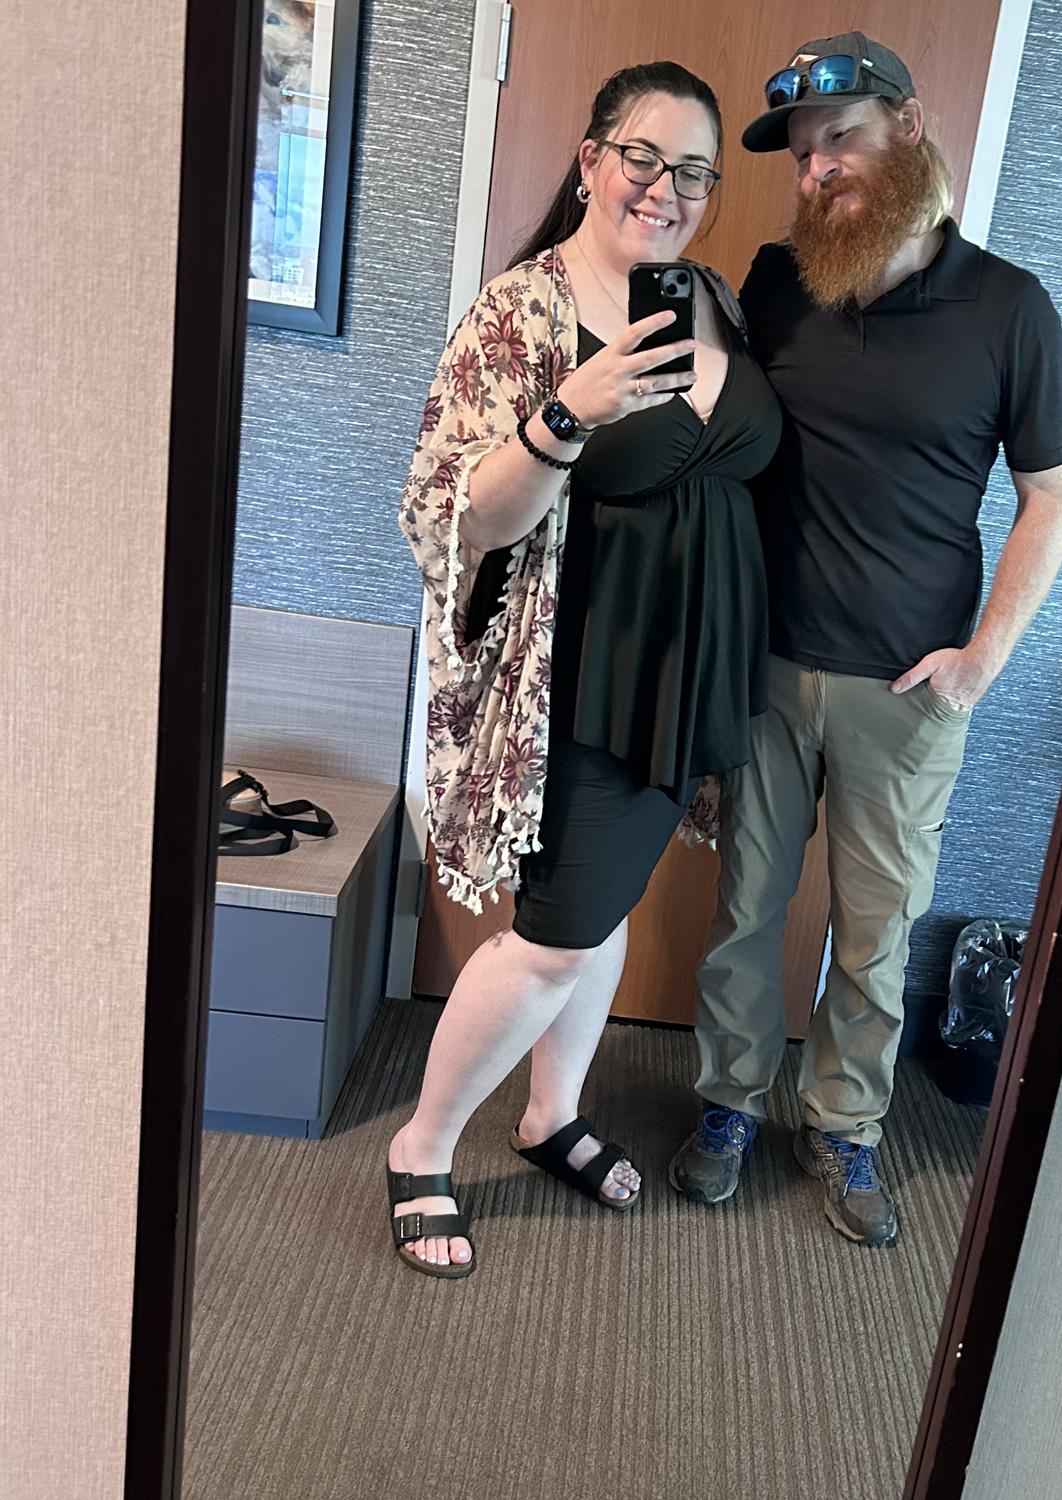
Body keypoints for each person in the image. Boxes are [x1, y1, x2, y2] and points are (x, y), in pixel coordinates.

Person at [669, 34, 1062, 1248]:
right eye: (801, 155)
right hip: (765, 664)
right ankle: (729, 1104)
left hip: (909, 687)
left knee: (876, 930)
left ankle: (845, 1126)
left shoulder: (1010, 309)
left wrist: (981, 662)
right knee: (745, 909)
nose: (816, 171)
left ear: (908, 128)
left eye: (837, 139)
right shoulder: (778, 284)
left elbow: (1051, 496)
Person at [390, 62, 781, 1278]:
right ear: (591, 160)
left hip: (686, 681)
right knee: (553, 937)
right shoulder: (523, 311)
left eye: (694, 171)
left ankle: (549, 1114)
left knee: (600, 912)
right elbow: (454, 516)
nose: (665, 190)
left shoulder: (710, 298)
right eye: (642, 157)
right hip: (580, 683)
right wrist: (566, 414)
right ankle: (419, 1145)